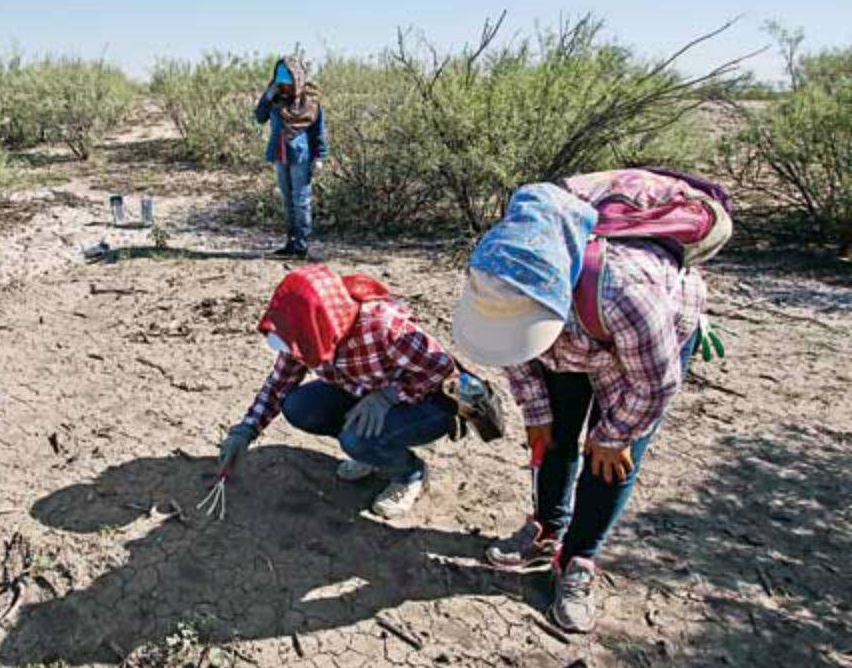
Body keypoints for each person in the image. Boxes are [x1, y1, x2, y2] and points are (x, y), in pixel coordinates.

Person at [453, 182, 710, 633]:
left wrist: (614, 435)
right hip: (571, 342)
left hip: (638, 355)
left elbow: (656, 383)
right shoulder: (497, 274)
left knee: (609, 461)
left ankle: (578, 558)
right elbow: (510, 348)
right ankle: (547, 528)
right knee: (553, 437)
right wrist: (537, 414)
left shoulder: (625, 293)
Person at [219, 265, 460, 518]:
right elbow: (280, 383)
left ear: (318, 323)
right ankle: (371, 453)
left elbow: (443, 369)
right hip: (366, 391)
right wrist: (247, 429)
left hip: (428, 403)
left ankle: (409, 473)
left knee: (355, 440)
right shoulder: (304, 331)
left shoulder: (384, 325)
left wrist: (388, 396)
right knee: (299, 407)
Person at [254, 57, 329, 260]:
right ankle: (291, 242)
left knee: (301, 200)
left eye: (287, 80)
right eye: (280, 80)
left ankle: (301, 245)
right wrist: (267, 97)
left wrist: (319, 156)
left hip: (300, 155)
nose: (283, 85)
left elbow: (318, 129)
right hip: (280, 154)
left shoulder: (310, 101)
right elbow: (260, 117)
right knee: (287, 201)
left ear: (297, 77)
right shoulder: (275, 98)